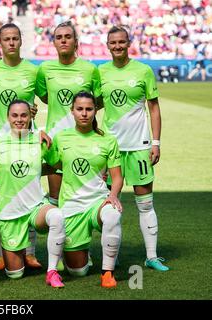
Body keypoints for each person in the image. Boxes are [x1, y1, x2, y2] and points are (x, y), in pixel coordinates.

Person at [99, 26, 169, 271]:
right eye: (113, 43)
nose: (117, 46)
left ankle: (151, 256)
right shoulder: (101, 72)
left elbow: (154, 108)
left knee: (145, 203)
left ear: (129, 43)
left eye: (121, 42)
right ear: (107, 45)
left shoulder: (143, 71)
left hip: (139, 146)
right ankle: (111, 256)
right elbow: (93, 104)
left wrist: (156, 142)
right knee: (108, 203)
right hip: (111, 149)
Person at [46, 91, 123, 288]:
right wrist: (38, 138)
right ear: (72, 111)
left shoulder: (108, 139)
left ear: (95, 110)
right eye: (79, 109)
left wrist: (113, 195)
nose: (84, 113)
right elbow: (50, 165)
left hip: (98, 202)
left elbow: (117, 177)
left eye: (89, 109)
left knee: (113, 215)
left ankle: (107, 272)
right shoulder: (61, 138)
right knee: (78, 271)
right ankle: (79, 253)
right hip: (72, 205)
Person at [0, 99, 65, 288]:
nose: (19, 119)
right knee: (15, 274)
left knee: (56, 216)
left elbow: (58, 165)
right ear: (8, 117)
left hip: (35, 208)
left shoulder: (40, 140)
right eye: (15, 115)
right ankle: (18, 253)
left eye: (24, 115)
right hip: (10, 213)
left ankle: (52, 271)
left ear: (31, 117)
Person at [0, 23, 42, 271]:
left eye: (15, 38)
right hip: (0, 142)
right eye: (6, 39)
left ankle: (30, 252)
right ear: (0, 42)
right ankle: (1, 254)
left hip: (27, 142)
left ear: (21, 41)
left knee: (30, 194)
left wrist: (33, 112)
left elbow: (43, 98)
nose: (11, 42)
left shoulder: (33, 70)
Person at [36, 21, 102, 211]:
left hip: (83, 140)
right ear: (54, 43)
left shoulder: (90, 70)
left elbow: (96, 102)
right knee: (55, 198)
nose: (63, 40)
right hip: (55, 140)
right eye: (59, 37)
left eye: (68, 37)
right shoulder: (45, 69)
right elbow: (45, 97)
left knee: (81, 195)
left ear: (76, 42)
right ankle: (57, 240)